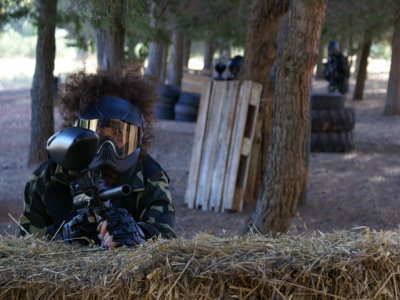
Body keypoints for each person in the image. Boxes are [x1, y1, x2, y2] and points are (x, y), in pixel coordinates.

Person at [19, 69, 176, 248]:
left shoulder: (151, 177)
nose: (107, 148)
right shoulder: (47, 178)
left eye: (118, 135)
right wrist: (61, 238)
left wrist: (139, 236)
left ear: (138, 137)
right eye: (98, 134)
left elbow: (167, 243)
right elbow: (23, 246)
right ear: (77, 131)